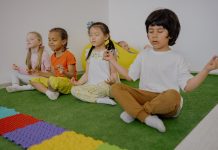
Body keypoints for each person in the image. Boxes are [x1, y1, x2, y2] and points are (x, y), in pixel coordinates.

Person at [103, 8, 218, 132]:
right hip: (146, 95)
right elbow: (130, 76)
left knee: (174, 95)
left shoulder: (177, 58)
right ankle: (145, 117)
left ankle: (135, 111)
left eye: (160, 31)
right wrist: (112, 60)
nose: (154, 35)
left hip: (166, 103)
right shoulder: (143, 54)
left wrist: (206, 69)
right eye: (151, 31)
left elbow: (187, 86)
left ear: (171, 34)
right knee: (116, 87)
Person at [71, 22, 119, 105]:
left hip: (106, 86)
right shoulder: (88, 53)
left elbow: (114, 73)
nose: (93, 38)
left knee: (102, 89)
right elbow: (87, 74)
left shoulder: (110, 52)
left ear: (106, 36)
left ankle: (98, 96)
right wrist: (78, 83)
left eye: (96, 35)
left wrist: (112, 80)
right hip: (92, 86)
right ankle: (99, 99)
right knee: (74, 90)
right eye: (90, 35)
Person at [30, 28, 77, 100]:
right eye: (49, 40)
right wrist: (39, 73)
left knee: (52, 80)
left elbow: (72, 75)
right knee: (33, 80)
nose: (51, 42)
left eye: (54, 40)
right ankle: (49, 93)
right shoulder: (52, 56)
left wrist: (64, 72)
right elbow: (52, 74)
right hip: (55, 80)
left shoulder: (69, 55)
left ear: (63, 41)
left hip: (68, 82)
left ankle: (52, 90)